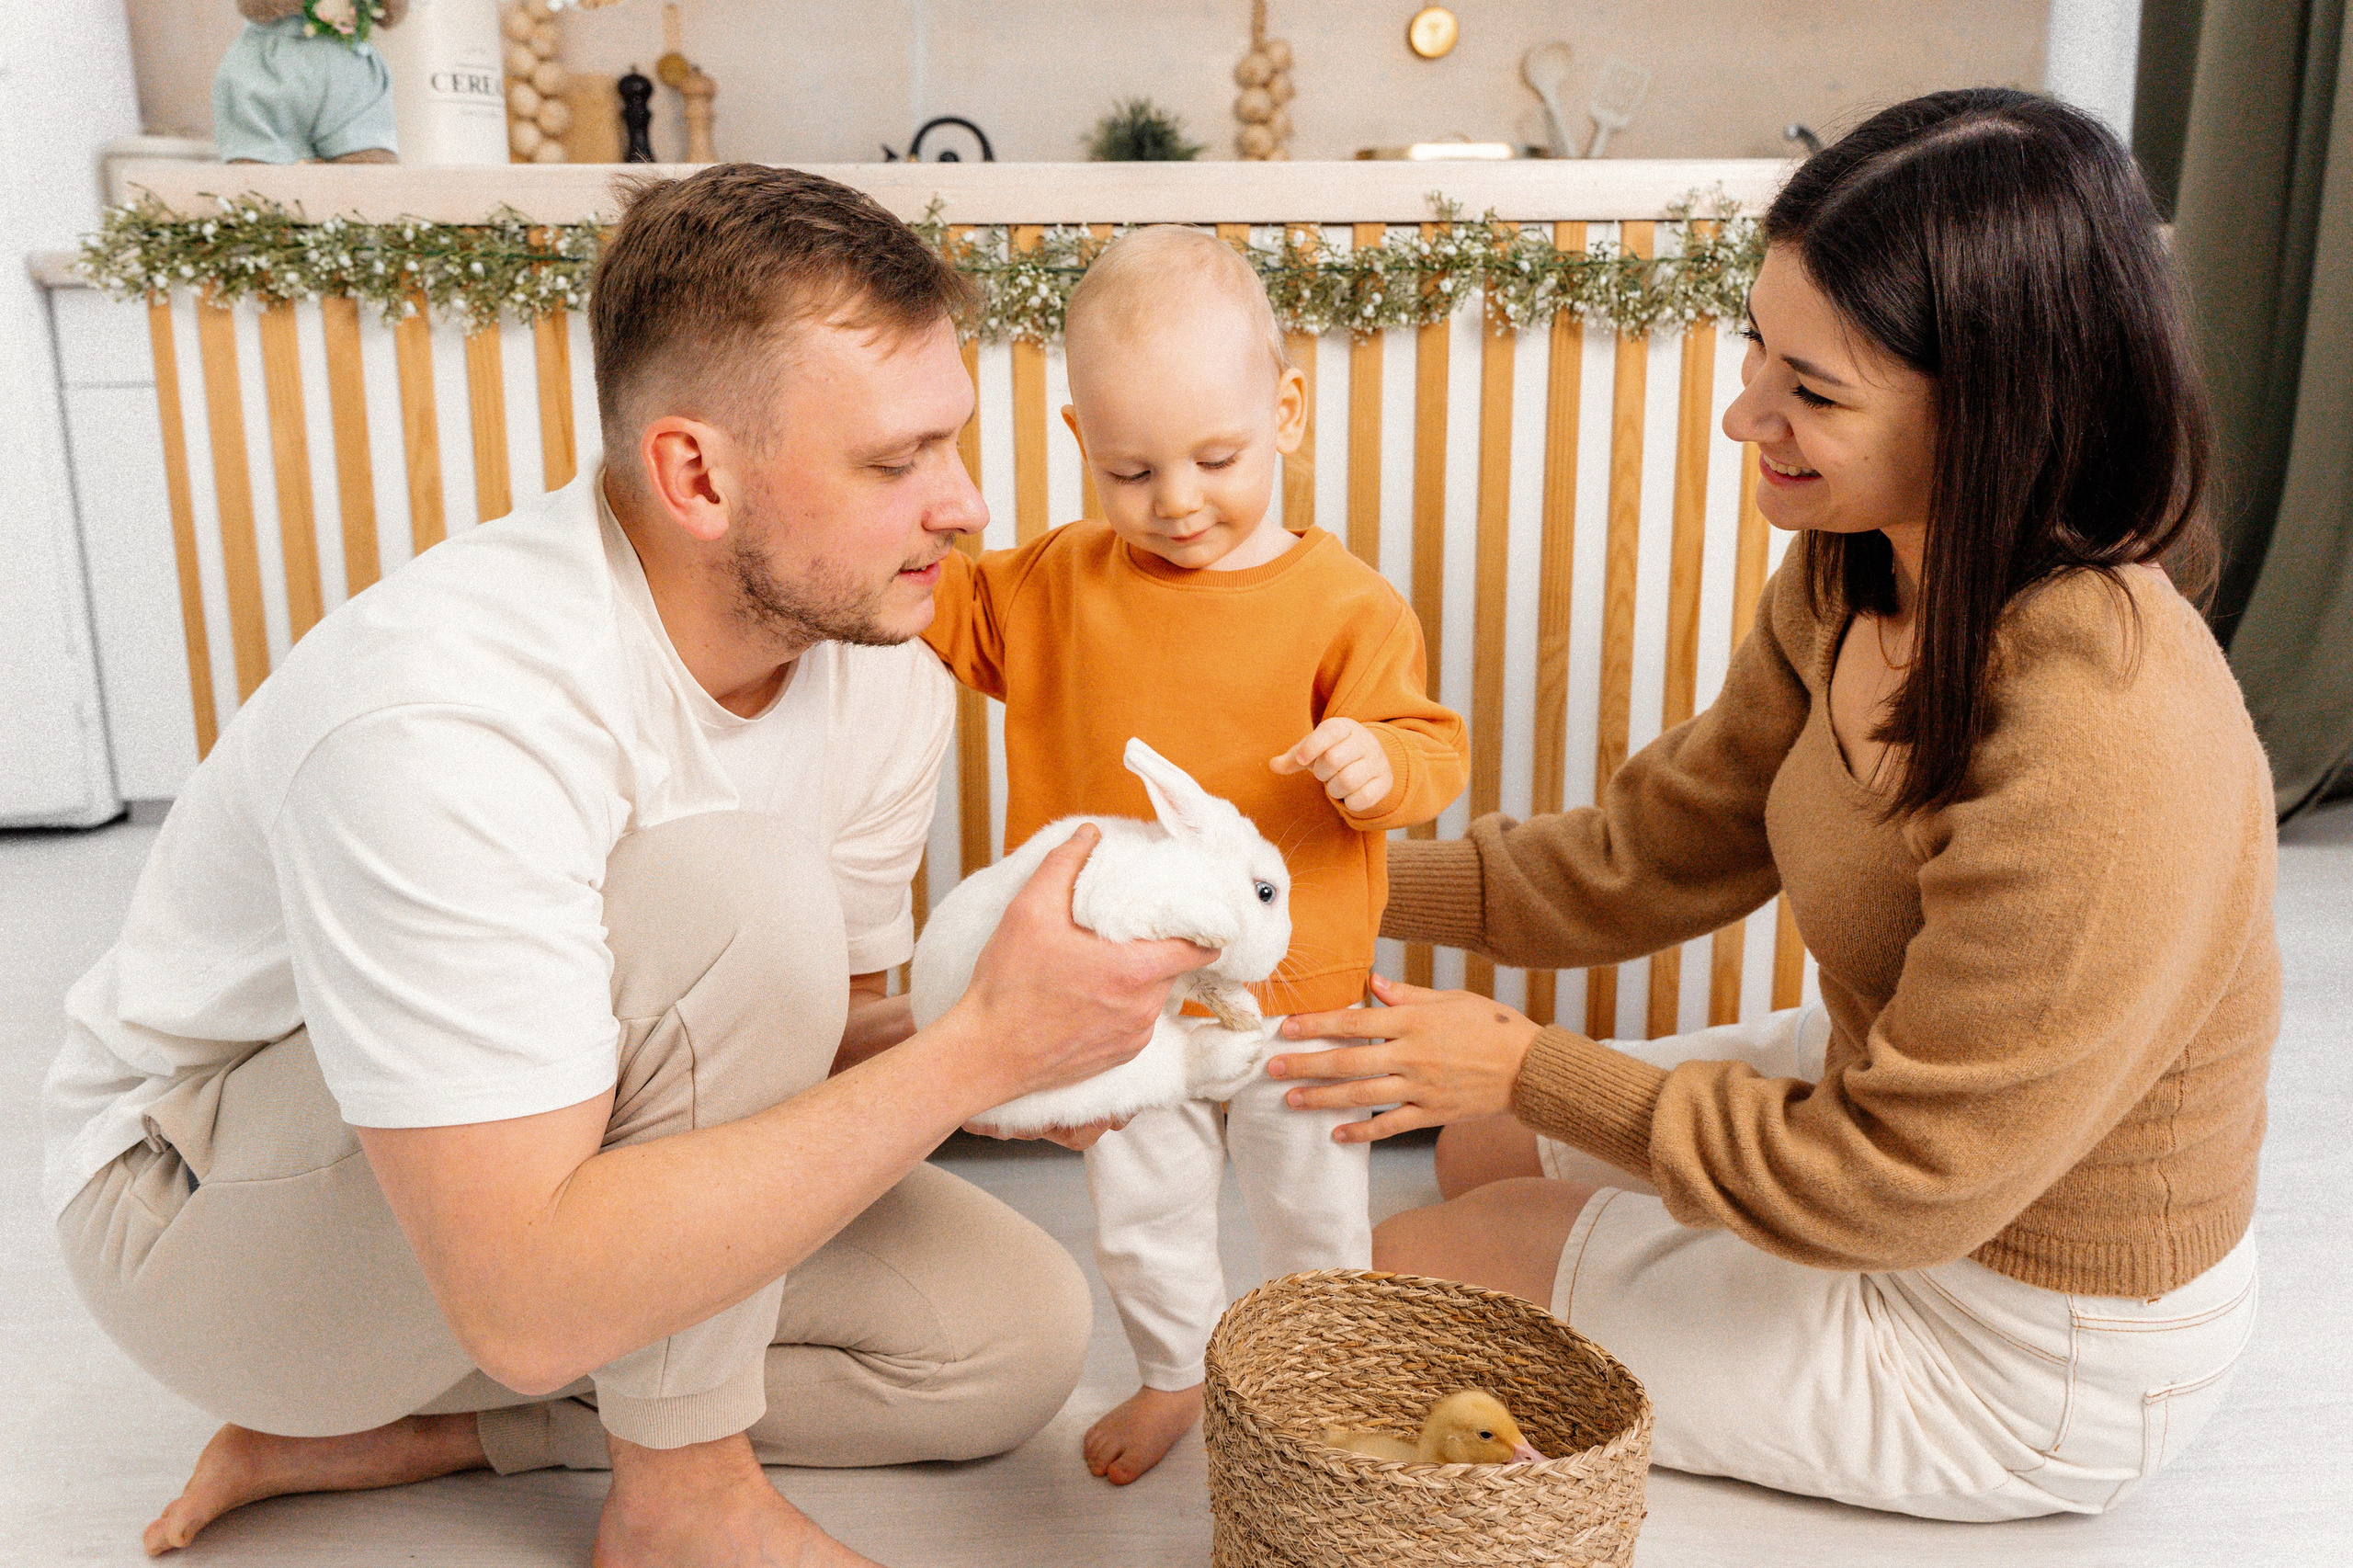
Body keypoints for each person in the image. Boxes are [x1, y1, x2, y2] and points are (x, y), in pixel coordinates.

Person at [42, 165, 1217, 1566]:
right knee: (738, 898)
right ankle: (683, 1500)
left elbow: (799, 1045)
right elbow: (526, 1297)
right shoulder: (452, 712)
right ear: (697, 474)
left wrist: (1009, 1038)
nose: (966, 507)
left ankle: (431, 1434)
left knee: (1008, 1334)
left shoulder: (872, 655)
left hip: (518, 1162)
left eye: (954, 442)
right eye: (896, 463)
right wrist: (970, 1060)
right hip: (208, 1219)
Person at [1268, 89, 2277, 1522]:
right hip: (1900, 1099)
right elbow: (1648, 852)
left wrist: (1527, 1061)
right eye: (1757, 345)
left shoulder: (2110, 738)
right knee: (1477, 1152)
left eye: (1812, 388)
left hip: (2029, 1326)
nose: (1747, 412)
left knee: (1424, 1255)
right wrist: (1331, 881)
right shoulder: (1858, 566)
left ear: (1987, 408)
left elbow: (1898, 1182)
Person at [920, 225, 1469, 1484]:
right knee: (1146, 1211)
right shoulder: (1054, 584)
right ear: (1078, 443)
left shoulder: (1346, 604)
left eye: (1215, 459)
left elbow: (1432, 749)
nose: (1175, 500)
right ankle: (1176, 1372)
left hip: (1302, 993)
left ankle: (1322, 1386)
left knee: (1317, 1213)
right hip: (1118, 996)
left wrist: (1380, 765)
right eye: (1130, 469)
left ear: (1284, 413)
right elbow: (923, 591)